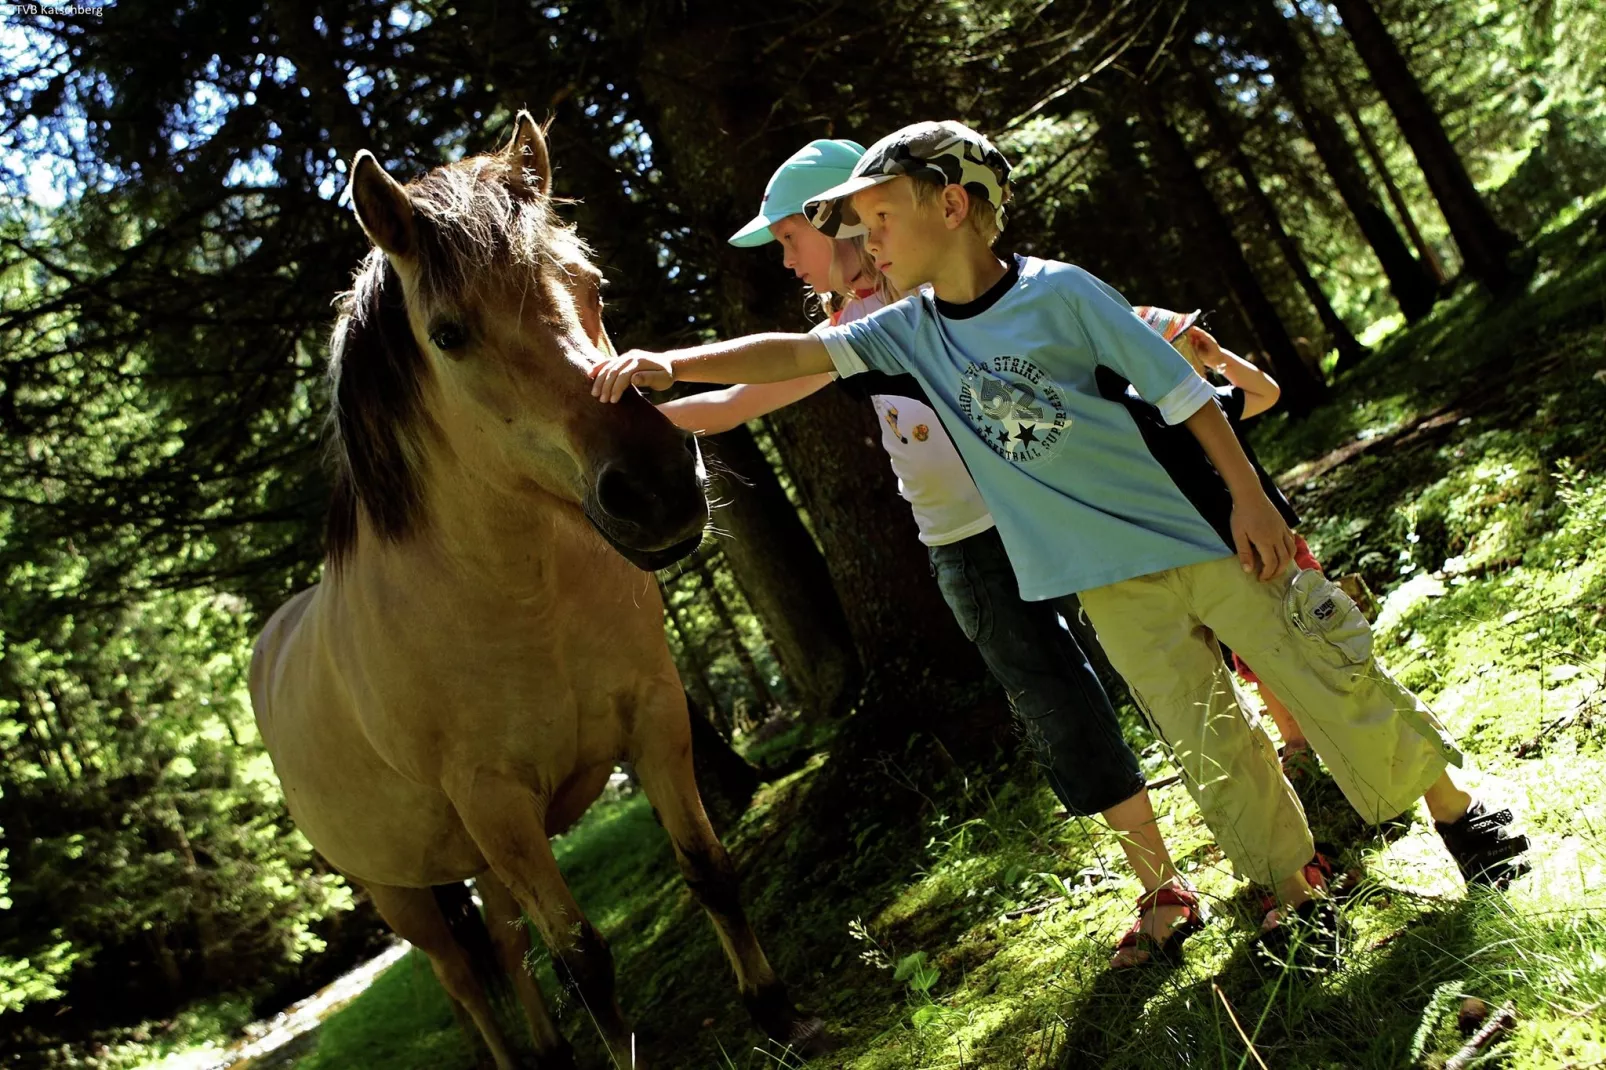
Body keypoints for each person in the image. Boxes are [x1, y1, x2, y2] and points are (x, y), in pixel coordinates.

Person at [591, 121, 1532, 963]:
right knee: (1209, 743)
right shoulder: (906, 334)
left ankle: (1459, 814)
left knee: (1323, 674)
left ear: (951, 206)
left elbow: (1186, 398)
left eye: (877, 219)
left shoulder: (1063, 293)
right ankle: (1297, 891)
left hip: (1202, 538)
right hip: (1106, 584)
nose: (863, 243)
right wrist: (668, 366)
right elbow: (788, 357)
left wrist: (1251, 500)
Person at [659, 139, 1204, 968]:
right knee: (1056, 702)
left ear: (830, 222)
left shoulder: (934, 291)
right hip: (965, 545)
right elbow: (732, 405)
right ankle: (1161, 882)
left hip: (1057, 506)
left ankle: (1271, 760)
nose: (787, 261)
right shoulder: (846, 332)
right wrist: (627, 409)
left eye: (788, 240)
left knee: (1162, 639)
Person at [1127, 306, 1318, 780]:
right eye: (1188, 342)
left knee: (1315, 622)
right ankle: (1297, 740)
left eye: (1196, 340)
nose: (1198, 345)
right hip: (1229, 557)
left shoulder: (1215, 400)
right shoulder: (1156, 425)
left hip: (1280, 538)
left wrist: (1220, 359)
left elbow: (1266, 392)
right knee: (1261, 655)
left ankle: (1343, 705)